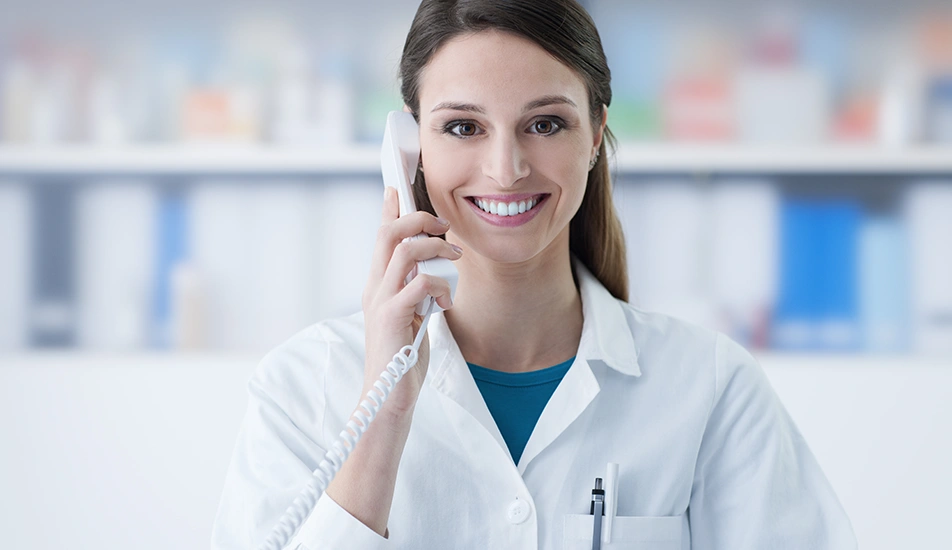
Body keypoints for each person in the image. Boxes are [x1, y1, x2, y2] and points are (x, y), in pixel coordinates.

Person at [212, 0, 857, 548]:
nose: (505, 168)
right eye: (462, 127)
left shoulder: (711, 389)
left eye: (544, 124)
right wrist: (383, 413)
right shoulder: (302, 388)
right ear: (408, 146)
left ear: (596, 131)